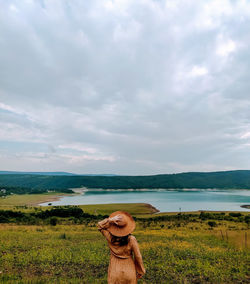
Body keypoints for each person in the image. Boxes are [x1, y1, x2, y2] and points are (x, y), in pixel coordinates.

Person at [98, 211, 146, 284]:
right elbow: (138, 256)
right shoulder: (131, 239)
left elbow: (100, 226)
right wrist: (141, 270)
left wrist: (110, 220)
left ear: (114, 226)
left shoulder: (110, 237)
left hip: (114, 271)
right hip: (129, 271)